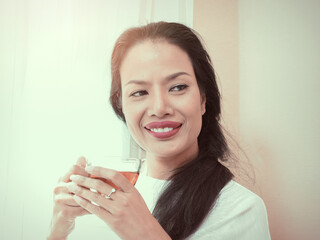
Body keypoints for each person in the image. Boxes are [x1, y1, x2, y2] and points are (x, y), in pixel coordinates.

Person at [47, 21, 271, 240]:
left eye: (178, 87)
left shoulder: (241, 210)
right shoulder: (100, 195)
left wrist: (145, 232)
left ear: (203, 99)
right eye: (139, 92)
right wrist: (58, 229)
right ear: (121, 105)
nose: (159, 108)